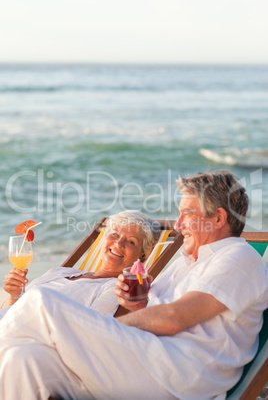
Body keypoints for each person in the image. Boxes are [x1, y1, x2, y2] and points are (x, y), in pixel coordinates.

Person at [0, 170, 267, 400]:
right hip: (145, 363)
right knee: (23, 358)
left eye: (187, 214)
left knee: (41, 301)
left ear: (219, 219)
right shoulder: (186, 262)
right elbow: (160, 314)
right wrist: (139, 306)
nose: (178, 224)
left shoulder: (238, 257)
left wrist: (103, 330)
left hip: (177, 375)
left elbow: (174, 318)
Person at [0, 210, 160, 319]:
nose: (118, 243)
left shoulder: (114, 289)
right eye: (115, 234)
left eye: (131, 241)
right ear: (103, 240)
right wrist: (14, 295)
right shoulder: (59, 272)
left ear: (142, 255)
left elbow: (86, 331)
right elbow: (10, 309)